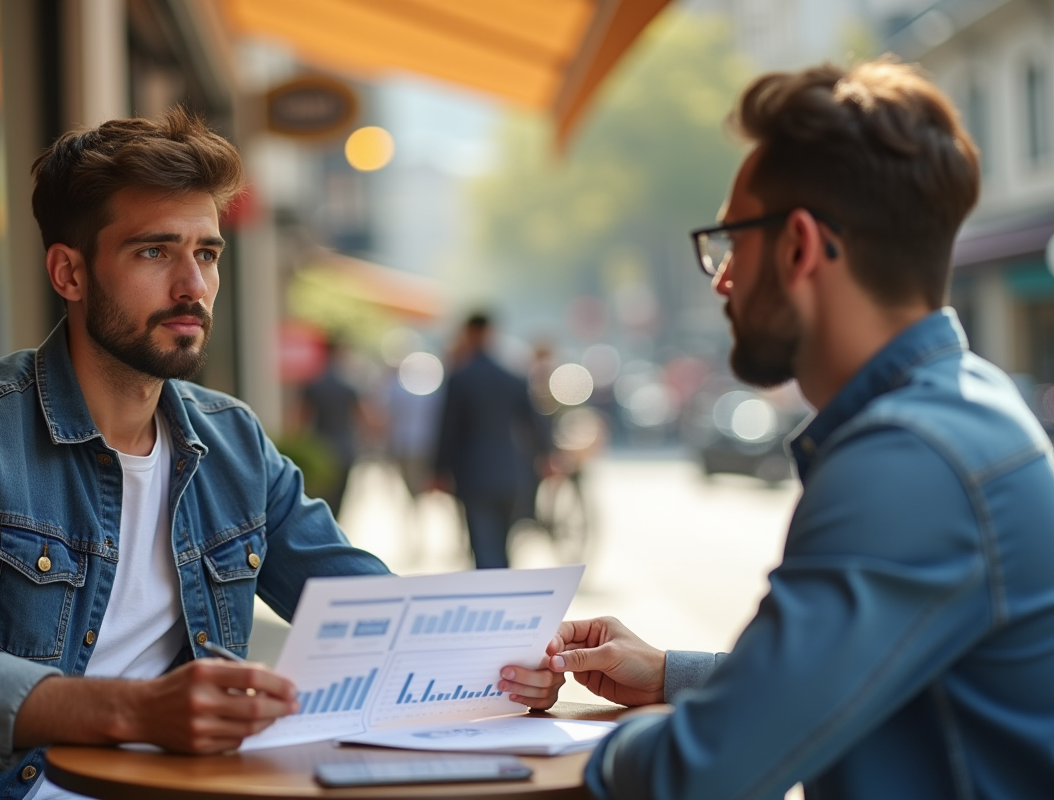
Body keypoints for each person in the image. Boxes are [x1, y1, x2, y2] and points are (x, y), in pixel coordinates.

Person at [497, 59, 1054, 797]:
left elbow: (704, 770)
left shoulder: (906, 462)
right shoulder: (963, 408)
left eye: (731, 242)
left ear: (797, 246)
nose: (721, 279)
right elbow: (877, 676)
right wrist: (673, 676)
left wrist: (518, 752)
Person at [0, 109, 390, 799]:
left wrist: (538, 648)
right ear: (69, 273)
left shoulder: (233, 444)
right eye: (153, 252)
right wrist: (137, 710)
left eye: (206, 253)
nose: (192, 286)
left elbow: (374, 612)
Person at [433, 313, 549, 569]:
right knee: (504, 546)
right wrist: (547, 454)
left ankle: (494, 600)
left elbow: (447, 429)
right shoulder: (512, 377)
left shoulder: (460, 378)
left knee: (483, 548)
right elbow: (535, 422)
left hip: (473, 474)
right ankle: (506, 597)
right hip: (510, 472)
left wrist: (439, 470)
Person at [299, 336, 365, 518]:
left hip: (321, 450)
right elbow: (363, 418)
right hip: (345, 448)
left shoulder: (314, 384)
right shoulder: (348, 385)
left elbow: (301, 419)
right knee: (339, 501)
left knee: (322, 498)